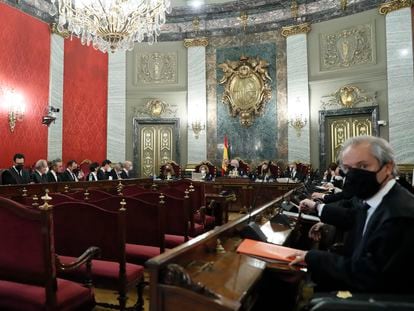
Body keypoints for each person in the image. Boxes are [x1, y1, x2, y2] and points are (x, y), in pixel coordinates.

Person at [290, 136, 414, 293]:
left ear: (387, 168)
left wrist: (314, 259)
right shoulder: (373, 200)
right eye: (348, 168)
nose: (354, 175)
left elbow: (369, 278)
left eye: (363, 166)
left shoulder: (400, 216)